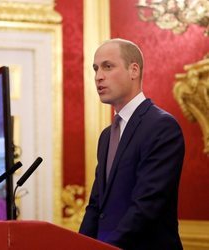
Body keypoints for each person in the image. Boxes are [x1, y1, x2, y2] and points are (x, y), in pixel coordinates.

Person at [79, 38, 185, 250]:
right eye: (95, 69)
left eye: (108, 67)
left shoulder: (162, 126)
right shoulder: (107, 135)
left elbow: (147, 206)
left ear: (134, 70)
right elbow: (96, 206)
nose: (98, 76)